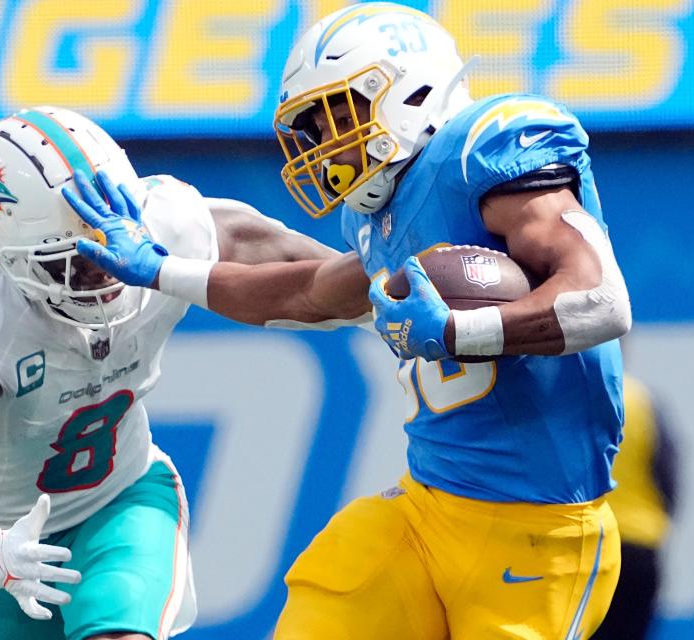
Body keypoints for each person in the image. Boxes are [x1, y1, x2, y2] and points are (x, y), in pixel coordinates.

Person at [64, 3, 633, 638]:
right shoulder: (379, 218)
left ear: (409, 90)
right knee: (331, 591)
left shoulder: (486, 153)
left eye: (337, 115)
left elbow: (603, 300)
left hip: (541, 534)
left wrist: (454, 332)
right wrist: (160, 269)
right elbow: (297, 293)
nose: (325, 143)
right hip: (425, 510)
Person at [0, 105, 347, 640]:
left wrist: (393, 299)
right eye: (73, 261)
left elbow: (316, 279)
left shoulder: (168, 222)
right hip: (2, 539)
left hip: (121, 500)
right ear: (8, 257)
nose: (105, 275)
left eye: (111, 244)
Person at [592, 373, 679, 640]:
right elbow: (668, 476)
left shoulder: (562, 397)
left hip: (586, 544)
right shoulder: (641, 399)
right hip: (637, 550)